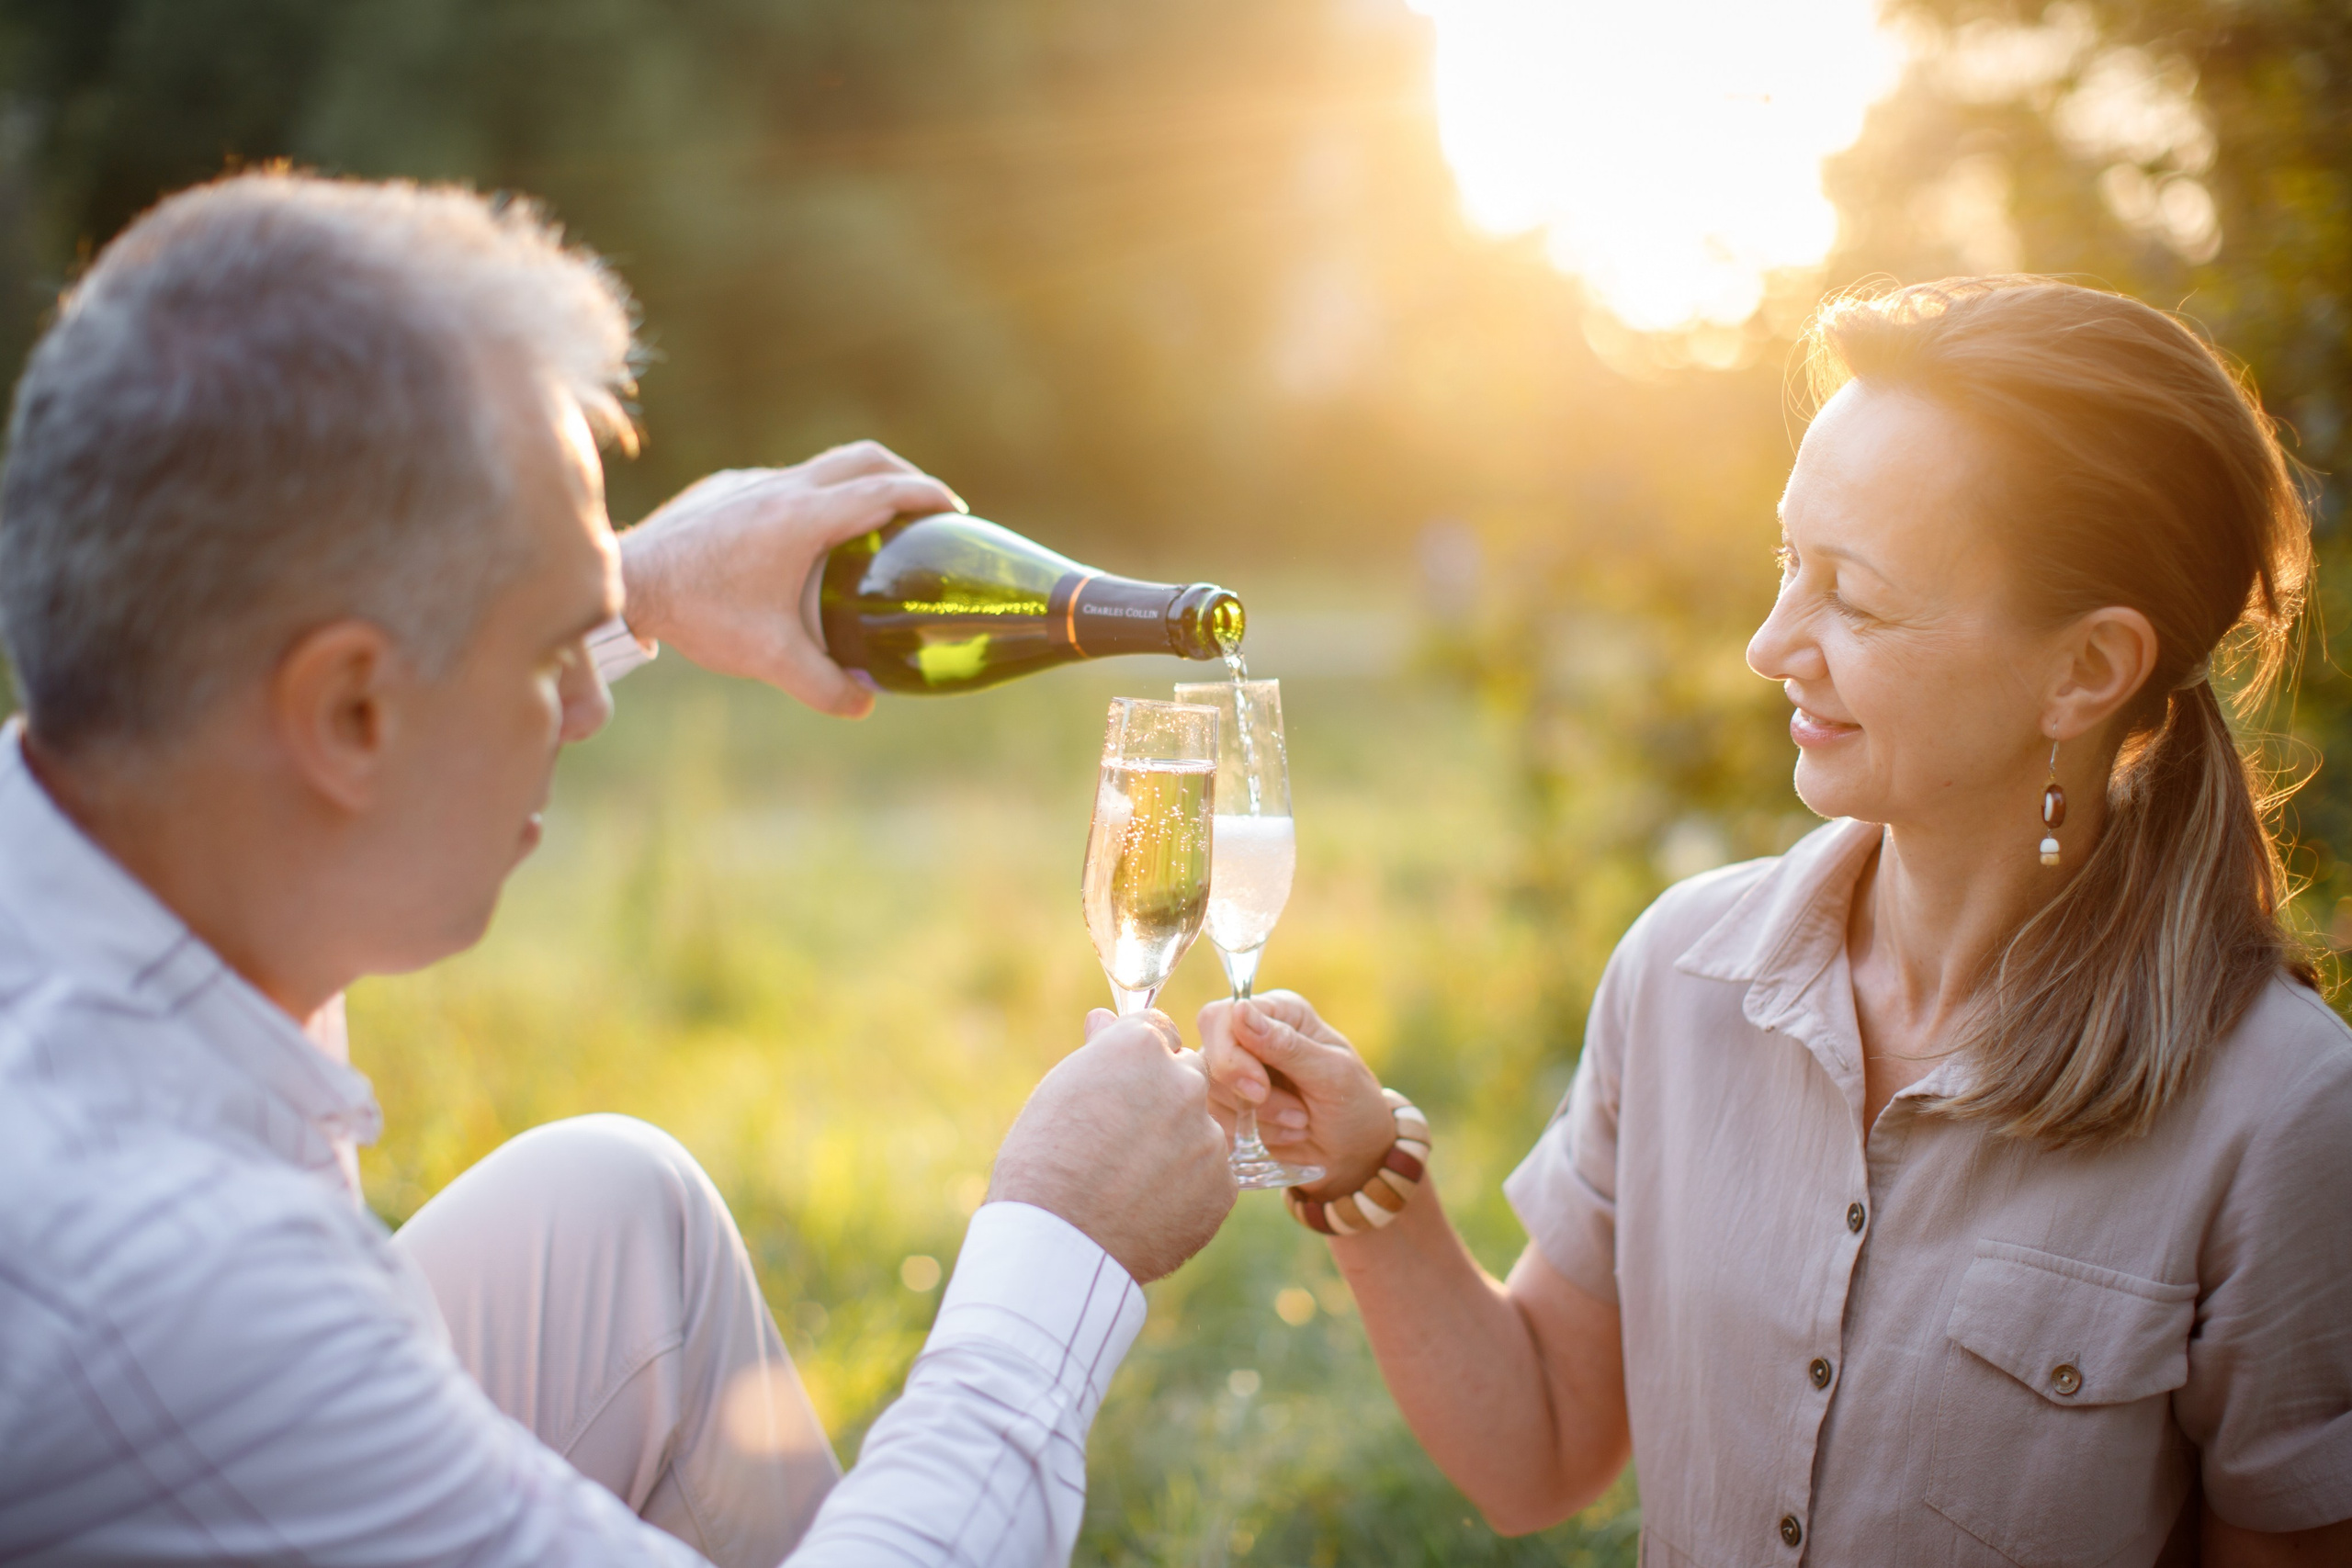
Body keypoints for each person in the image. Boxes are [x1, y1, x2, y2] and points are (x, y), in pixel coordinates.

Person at [0, 171, 1237, 1564]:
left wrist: (634, 581)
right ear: (347, 713)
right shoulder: (184, 1283)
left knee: (614, 1215)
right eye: (553, 656)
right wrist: (1059, 1249)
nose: (589, 708)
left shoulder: (95, 829)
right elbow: (216, 1327)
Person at [1202, 277, 2352, 1565]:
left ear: (2085, 670)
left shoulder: (2282, 1115)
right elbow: (1537, 1449)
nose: (1768, 644)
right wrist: (1362, 1169)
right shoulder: (1677, 973)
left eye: (1852, 596)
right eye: (1788, 564)